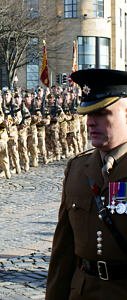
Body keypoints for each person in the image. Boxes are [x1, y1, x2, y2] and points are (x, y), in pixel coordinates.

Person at [46, 69, 127, 300]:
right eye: (87, 113)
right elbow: (63, 254)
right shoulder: (77, 169)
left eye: (102, 113)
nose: (90, 122)